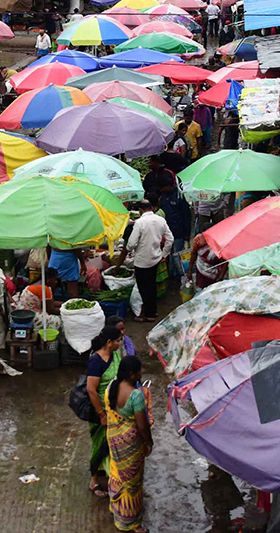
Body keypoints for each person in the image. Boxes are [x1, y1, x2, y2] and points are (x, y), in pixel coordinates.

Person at [106, 356, 152, 533]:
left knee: (117, 472)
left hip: (114, 438)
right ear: (132, 374)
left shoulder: (111, 386)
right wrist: (149, 443)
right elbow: (142, 425)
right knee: (131, 481)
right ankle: (130, 523)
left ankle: (115, 506)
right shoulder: (135, 396)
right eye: (139, 371)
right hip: (130, 444)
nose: (141, 374)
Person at [85, 326, 124, 498]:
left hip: (114, 409)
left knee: (111, 444)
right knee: (99, 445)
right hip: (99, 411)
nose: (120, 343)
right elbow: (92, 390)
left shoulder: (115, 355)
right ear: (109, 342)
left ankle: (108, 474)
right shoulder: (96, 361)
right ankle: (93, 480)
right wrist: (101, 414)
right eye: (117, 340)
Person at [119, 203, 173, 322]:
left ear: (141, 211)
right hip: (155, 258)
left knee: (143, 287)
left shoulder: (140, 222)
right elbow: (170, 239)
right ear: (151, 208)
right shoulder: (160, 220)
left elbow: (132, 243)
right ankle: (152, 312)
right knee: (151, 285)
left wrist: (129, 249)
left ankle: (145, 314)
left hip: (142, 261)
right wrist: (164, 254)